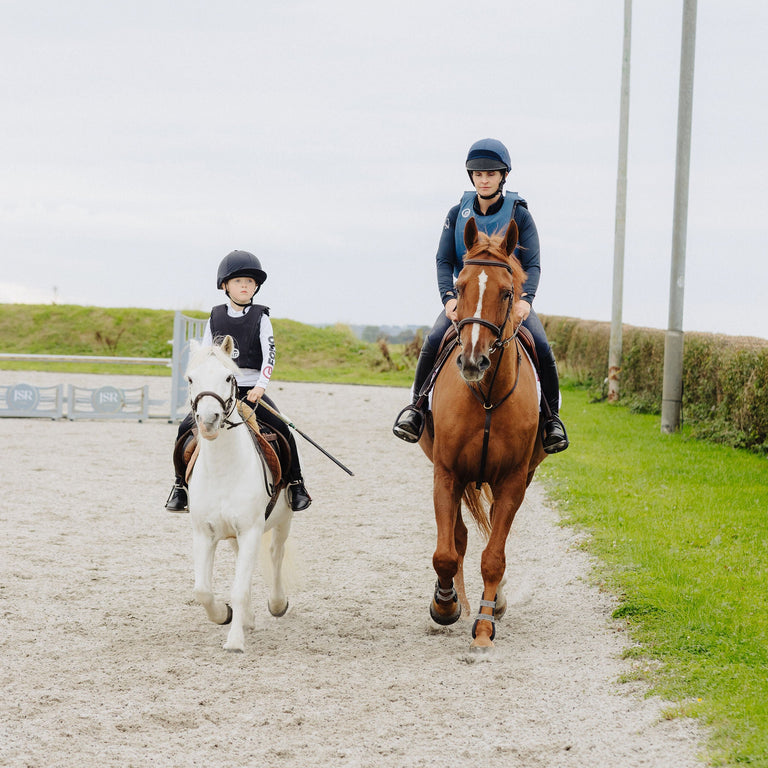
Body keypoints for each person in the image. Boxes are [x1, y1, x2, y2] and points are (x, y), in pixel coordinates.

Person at [392, 138, 569, 453]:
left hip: (507, 303)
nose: (484, 179)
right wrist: (448, 298)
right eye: (478, 174)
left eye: (490, 174)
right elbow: (444, 260)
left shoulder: (521, 215)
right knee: (434, 339)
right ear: (471, 177)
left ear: (503, 176)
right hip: (467, 301)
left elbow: (533, 264)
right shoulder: (456, 213)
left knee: (540, 345)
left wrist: (525, 301)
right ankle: (417, 410)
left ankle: (551, 419)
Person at [165, 250, 312, 512]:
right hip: (219, 391)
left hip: (251, 389)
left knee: (282, 428)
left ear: (256, 287)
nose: (245, 286)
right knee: (183, 430)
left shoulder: (261, 318)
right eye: (238, 281)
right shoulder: (215, 316)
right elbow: (207, 355)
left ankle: (296, 484)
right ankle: (179, 487)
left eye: (250, 282)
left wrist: (260, 387)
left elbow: (270, 356)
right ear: (225, 285)